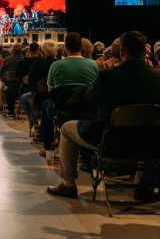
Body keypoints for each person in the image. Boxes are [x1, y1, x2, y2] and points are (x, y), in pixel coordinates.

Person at [47, 31, 160, 200]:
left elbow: (90, 99)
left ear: (121, 52)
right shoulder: (157, 78)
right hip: (151, 144)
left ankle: (68, 184)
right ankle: (146, 187)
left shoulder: (107, 77)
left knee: (65, 128)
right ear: (145, 52)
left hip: (109, 140)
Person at [39, 32, 99, 157]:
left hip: (63, 108)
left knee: (45, 103)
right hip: (87, 109)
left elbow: (51, 90)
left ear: (65, 48)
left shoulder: (56, 65)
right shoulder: (94, 64)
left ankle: (48, 146)